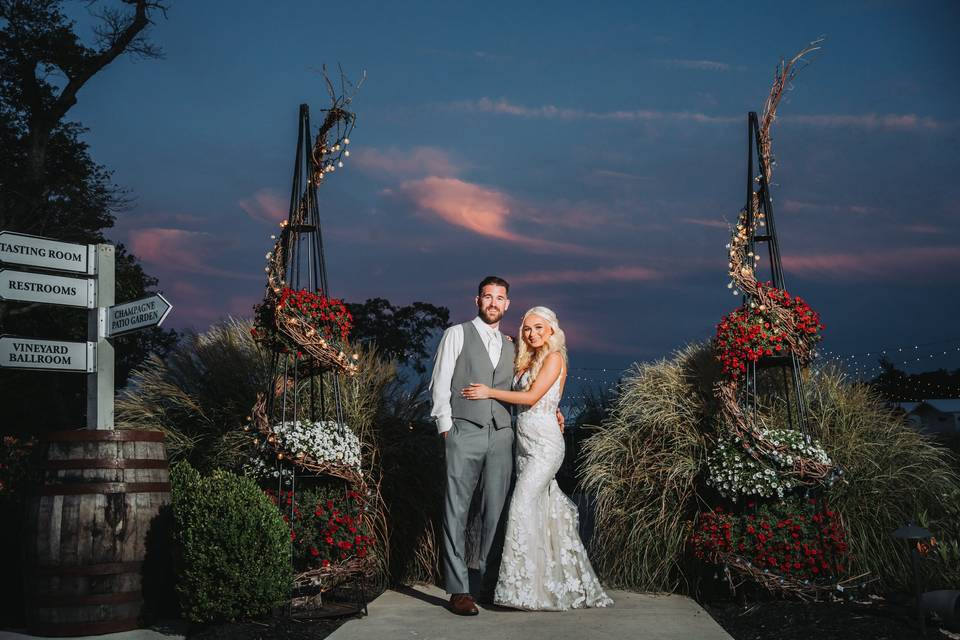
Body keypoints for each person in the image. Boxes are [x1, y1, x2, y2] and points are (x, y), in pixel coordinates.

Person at [461, 306, 612, 611]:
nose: (532, 334)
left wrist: (488, 392)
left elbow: (532, 398)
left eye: (539, 328)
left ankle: (522, 589)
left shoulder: (555, 358)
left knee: (520, 506)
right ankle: (551, 580)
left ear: (552, 330)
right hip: (523, 445)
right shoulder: (526, 358)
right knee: (542, 510)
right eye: (527, 329)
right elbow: (544, 398)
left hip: (545, 446)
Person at [430, 276, 517, 616]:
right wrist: (446, 430)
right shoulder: (457, 334)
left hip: (502, 435)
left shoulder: (512, 345)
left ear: (507, 304)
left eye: (500, 297)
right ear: (477, 300)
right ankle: (458, 589)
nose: (493, 302)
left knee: (495, 511)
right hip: (464, 432)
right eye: (488, 296)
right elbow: (440, 382)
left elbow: (525, 386)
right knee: (457, 511)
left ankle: (490, 584)